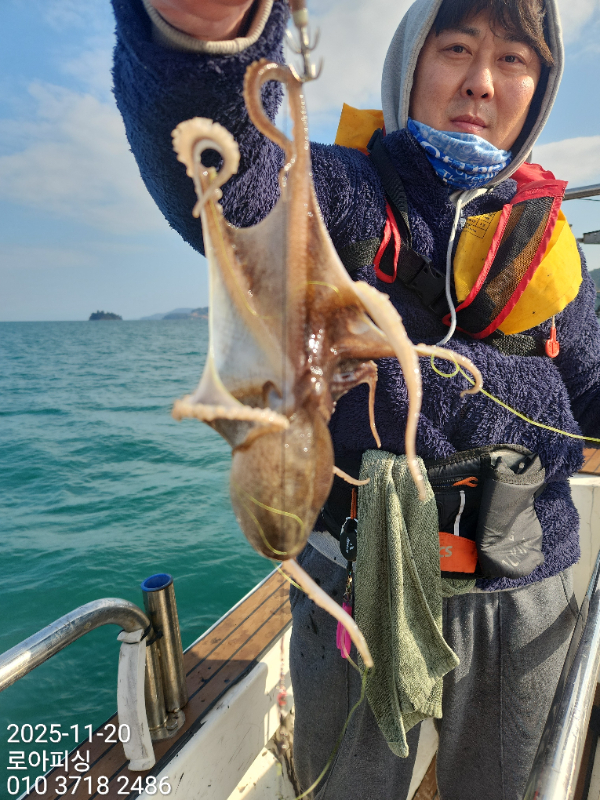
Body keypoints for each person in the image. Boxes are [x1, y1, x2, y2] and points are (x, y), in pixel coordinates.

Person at [111, 0, 600, 797]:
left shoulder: (550, 246)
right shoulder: (347, 193)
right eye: (456, 48)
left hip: (526, 583)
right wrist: (203, 41)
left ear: (538, 92)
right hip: (352, 578)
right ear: (410, 68)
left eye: (513, 60)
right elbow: (235, 187)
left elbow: (592, 386)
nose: (481, 81)